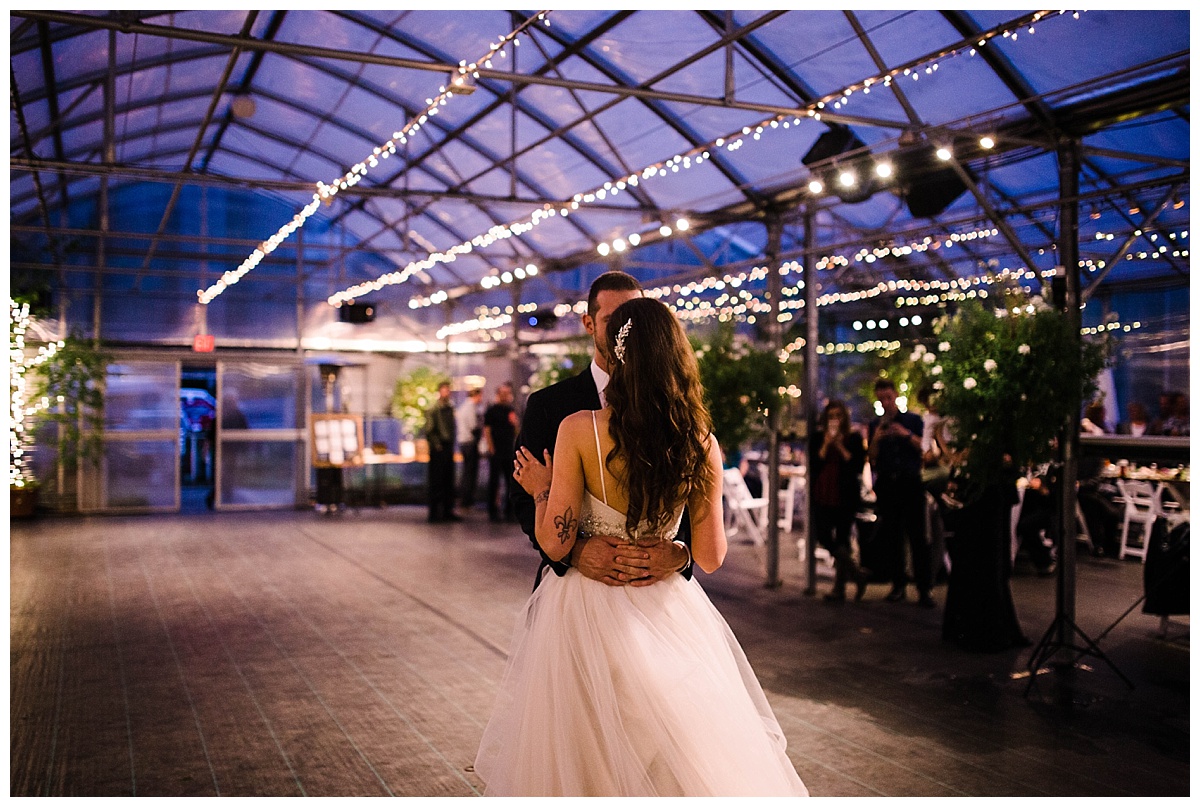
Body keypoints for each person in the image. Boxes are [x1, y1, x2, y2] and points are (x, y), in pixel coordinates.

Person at [474, 297, 808, 796]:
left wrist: (542, 488)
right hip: (669, 609)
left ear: (619, 355)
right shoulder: (701, 441)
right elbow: (712, 556)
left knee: (587, 756)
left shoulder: (580, 429)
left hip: (587, 609)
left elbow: (554, 539)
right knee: (670, 749)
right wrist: (675, 550)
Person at [512, 270, 690, 590]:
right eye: (614, 319)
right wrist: (576, 553)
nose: (627, 329)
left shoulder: (677, 408)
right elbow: (523, 498)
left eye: (634, 319)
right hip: (580, 586)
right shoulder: (549, 406)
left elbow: (691, 495)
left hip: (659, 587)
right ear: (589, 324)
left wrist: (680, 553)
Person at [867, 378, 935, 608]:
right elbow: (872, 458)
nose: (885, 403)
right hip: (888, 485)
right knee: (892, 537)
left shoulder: (913, 420)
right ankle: (898, 585)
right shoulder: (875, 425)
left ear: (895, 396)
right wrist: (876, 438)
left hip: (910, 484)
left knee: (918, 537)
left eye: (888, 397)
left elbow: (924, 449)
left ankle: (924, 589)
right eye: (881, 399)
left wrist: (904, 434)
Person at [811, 400, 867, 602]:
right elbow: (814, 463)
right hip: (823, 491)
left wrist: (840, 445)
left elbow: (856, 466)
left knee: (843, 537)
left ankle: (839, 588)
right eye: (830, 416)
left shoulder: (853, 438)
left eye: (838, 416)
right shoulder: (818, 437)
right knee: (824, 535)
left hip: (845, 494)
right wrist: (827, 443)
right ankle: (856, 572)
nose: (834, 420)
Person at [424, 381, 461, 523]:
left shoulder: (449, 408)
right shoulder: (434, 409)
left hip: (447, 447)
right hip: (438, 449)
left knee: (447, 480)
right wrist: (436, 445)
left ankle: (447, 511)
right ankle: (434, 513)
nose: (447, 393)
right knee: (436, 481)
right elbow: (429, 430)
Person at [483, 382, 518, 522]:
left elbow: (516, 429)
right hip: (496, 450)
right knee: (494, 482)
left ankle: (509, 510)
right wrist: (491, 447)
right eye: (503, 393)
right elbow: (487, 430)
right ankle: (493, 511)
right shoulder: (491, 410)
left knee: (510, 481)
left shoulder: (510, 410)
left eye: (508, 393)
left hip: (508, 450)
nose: (506, 396)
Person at [456, 387, 484, 508]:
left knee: (467, 471)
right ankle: (467, 500)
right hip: (469, 442)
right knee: (470, 472)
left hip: (463, 442)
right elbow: (473, 425)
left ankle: (465, 499)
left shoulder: (462, 407)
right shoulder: (471, 407)